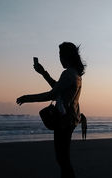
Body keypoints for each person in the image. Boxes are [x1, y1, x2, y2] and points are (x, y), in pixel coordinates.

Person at [17, 42, 85, 178]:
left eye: (61, 55)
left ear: (67, 56)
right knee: (63, 159)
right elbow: (58, 88)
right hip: (71, 120)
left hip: (64, 121)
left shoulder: (68, 74)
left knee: (62, 159)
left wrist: (27, 98)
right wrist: (43, 73)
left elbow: (52, 94)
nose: (59, 59)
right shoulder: (76, 74)